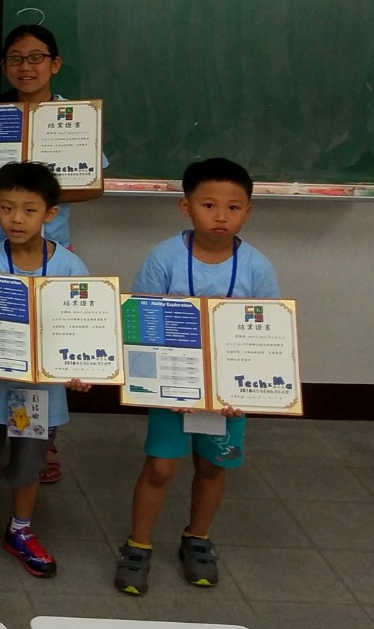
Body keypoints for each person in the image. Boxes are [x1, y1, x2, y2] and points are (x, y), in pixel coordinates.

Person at [116, 157, 279, 595]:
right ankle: (138, 544)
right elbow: (140, 321)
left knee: (211, 465)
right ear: (185, 207)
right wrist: (155, 384)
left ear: (248, 212)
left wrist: (247, 391)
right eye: (209, 205)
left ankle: (197, 538)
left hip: (227, 392)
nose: (221, 216)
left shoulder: (257, 267)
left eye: (233, 207)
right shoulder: (164, 257)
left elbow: (268, 333)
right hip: (172, 387)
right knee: (160, 468)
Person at [0, 25, 105, 486]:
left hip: (49, 251)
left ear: (55, 64)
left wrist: (37, 198)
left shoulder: (76, 117)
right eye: (16, 58)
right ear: (4, 65)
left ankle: (37, 435)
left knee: (46, 330)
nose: (26, 67)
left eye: (36, 57)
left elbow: (94, 185)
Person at [0, 162, 93, 583]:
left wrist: (81, 367)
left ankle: (20, 529)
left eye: (29, 210)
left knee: (28, 466)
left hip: (39, 392)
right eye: (6, 208)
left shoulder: (70, 268)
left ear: (50, 213)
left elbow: (83, 330)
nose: (16, 219)